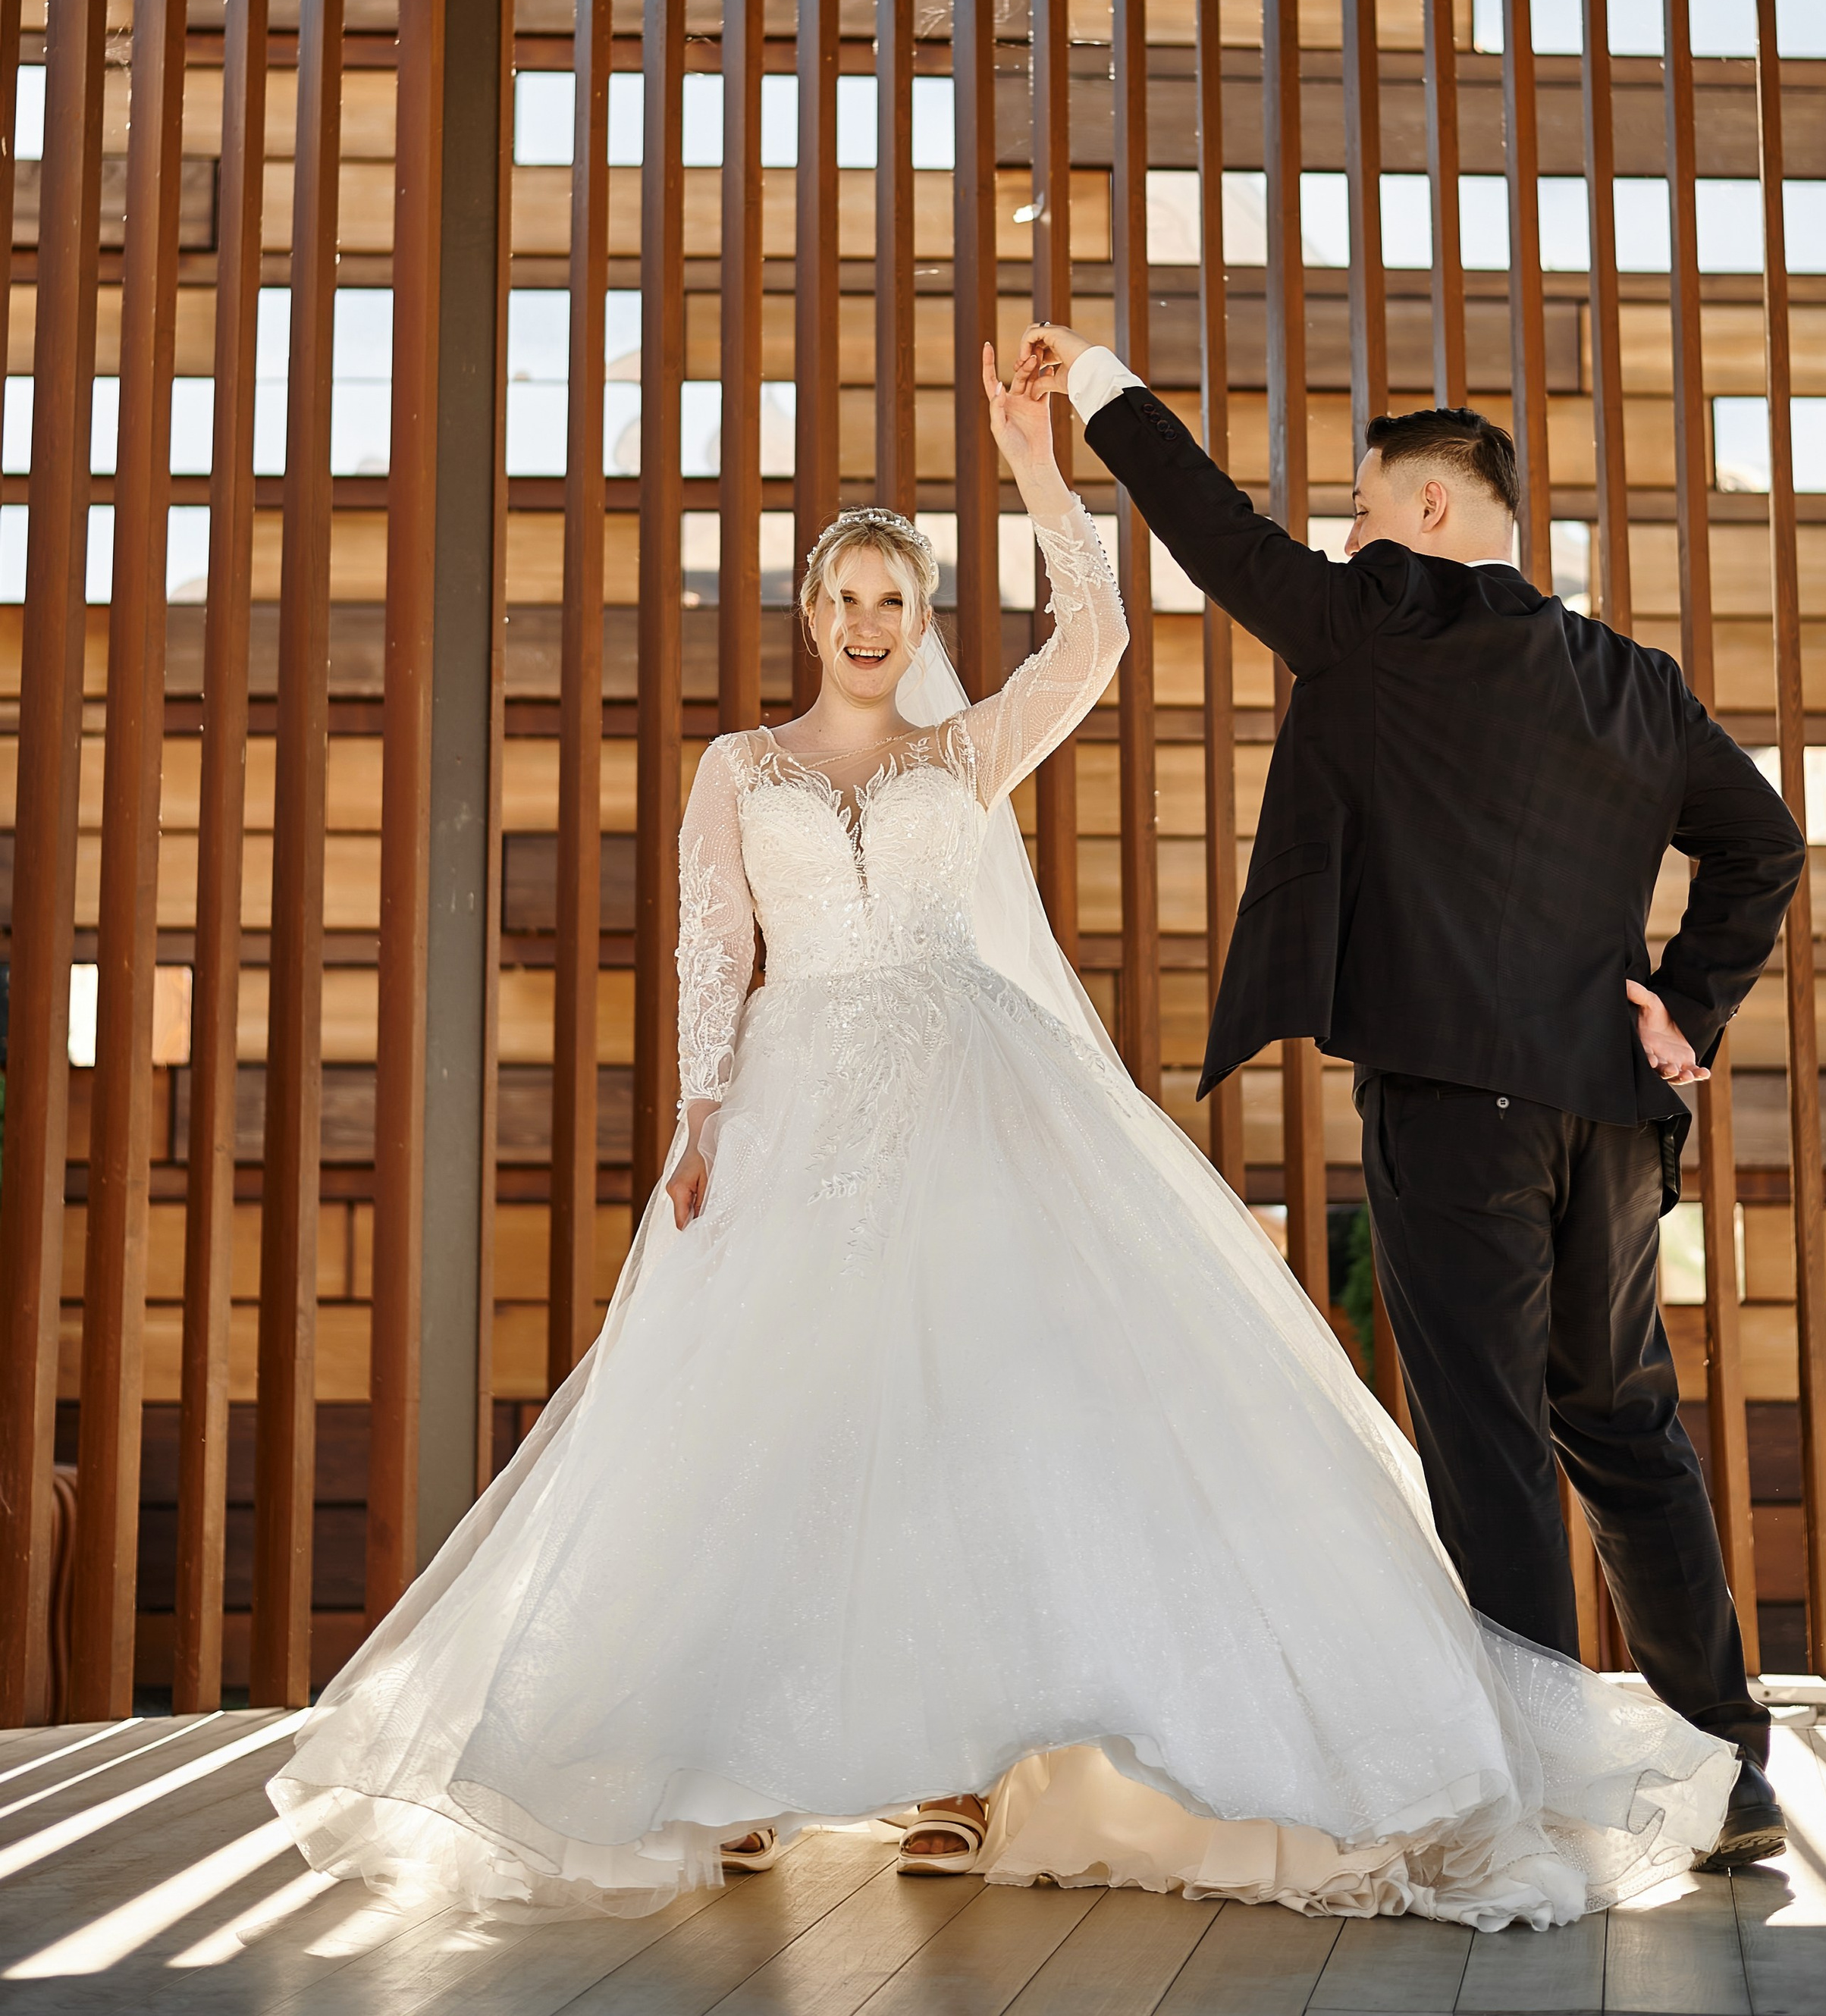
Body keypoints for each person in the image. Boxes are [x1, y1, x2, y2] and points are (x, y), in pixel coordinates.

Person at [269, 348, 1737, 1929]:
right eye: (843, 596)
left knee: (971, 1412)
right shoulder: (735, 767)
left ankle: (960, 1770)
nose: (865, 624)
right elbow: (712, 949)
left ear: (917, 623)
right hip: (791, 1109)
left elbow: (1093, 631)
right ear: (811, 610)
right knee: (766, 1423)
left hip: (972, 1095)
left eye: (893, 599)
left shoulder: (963, 752)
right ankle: (728, 1764)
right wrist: (701, 1111)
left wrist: (1038, 463)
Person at [1019, 326, 1804, 1873]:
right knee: (1624, 1424)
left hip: (1455, 1103)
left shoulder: (1388, 616)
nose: (1340, 538)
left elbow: (1223, 541)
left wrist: (1099, 383)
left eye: (1361, 510)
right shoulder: (1631, 684)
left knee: (1489, 1437)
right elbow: (1762, 840)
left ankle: (1523, 1792)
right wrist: (1681, 1007)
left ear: (1429, 516)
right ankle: (1729, 1768)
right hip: (1609, 1111)